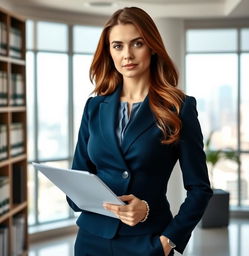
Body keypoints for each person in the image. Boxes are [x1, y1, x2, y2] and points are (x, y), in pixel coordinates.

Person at [67, 6, 213, 256]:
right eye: (118, 46)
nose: (127, 55)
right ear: (109, 52)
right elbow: (78, 179)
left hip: (147, 241)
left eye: (137, 44)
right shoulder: (94, 107)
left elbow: (200, 189)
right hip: (91, 239)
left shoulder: (179, 108)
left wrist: (167, 240)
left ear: (153, 46)